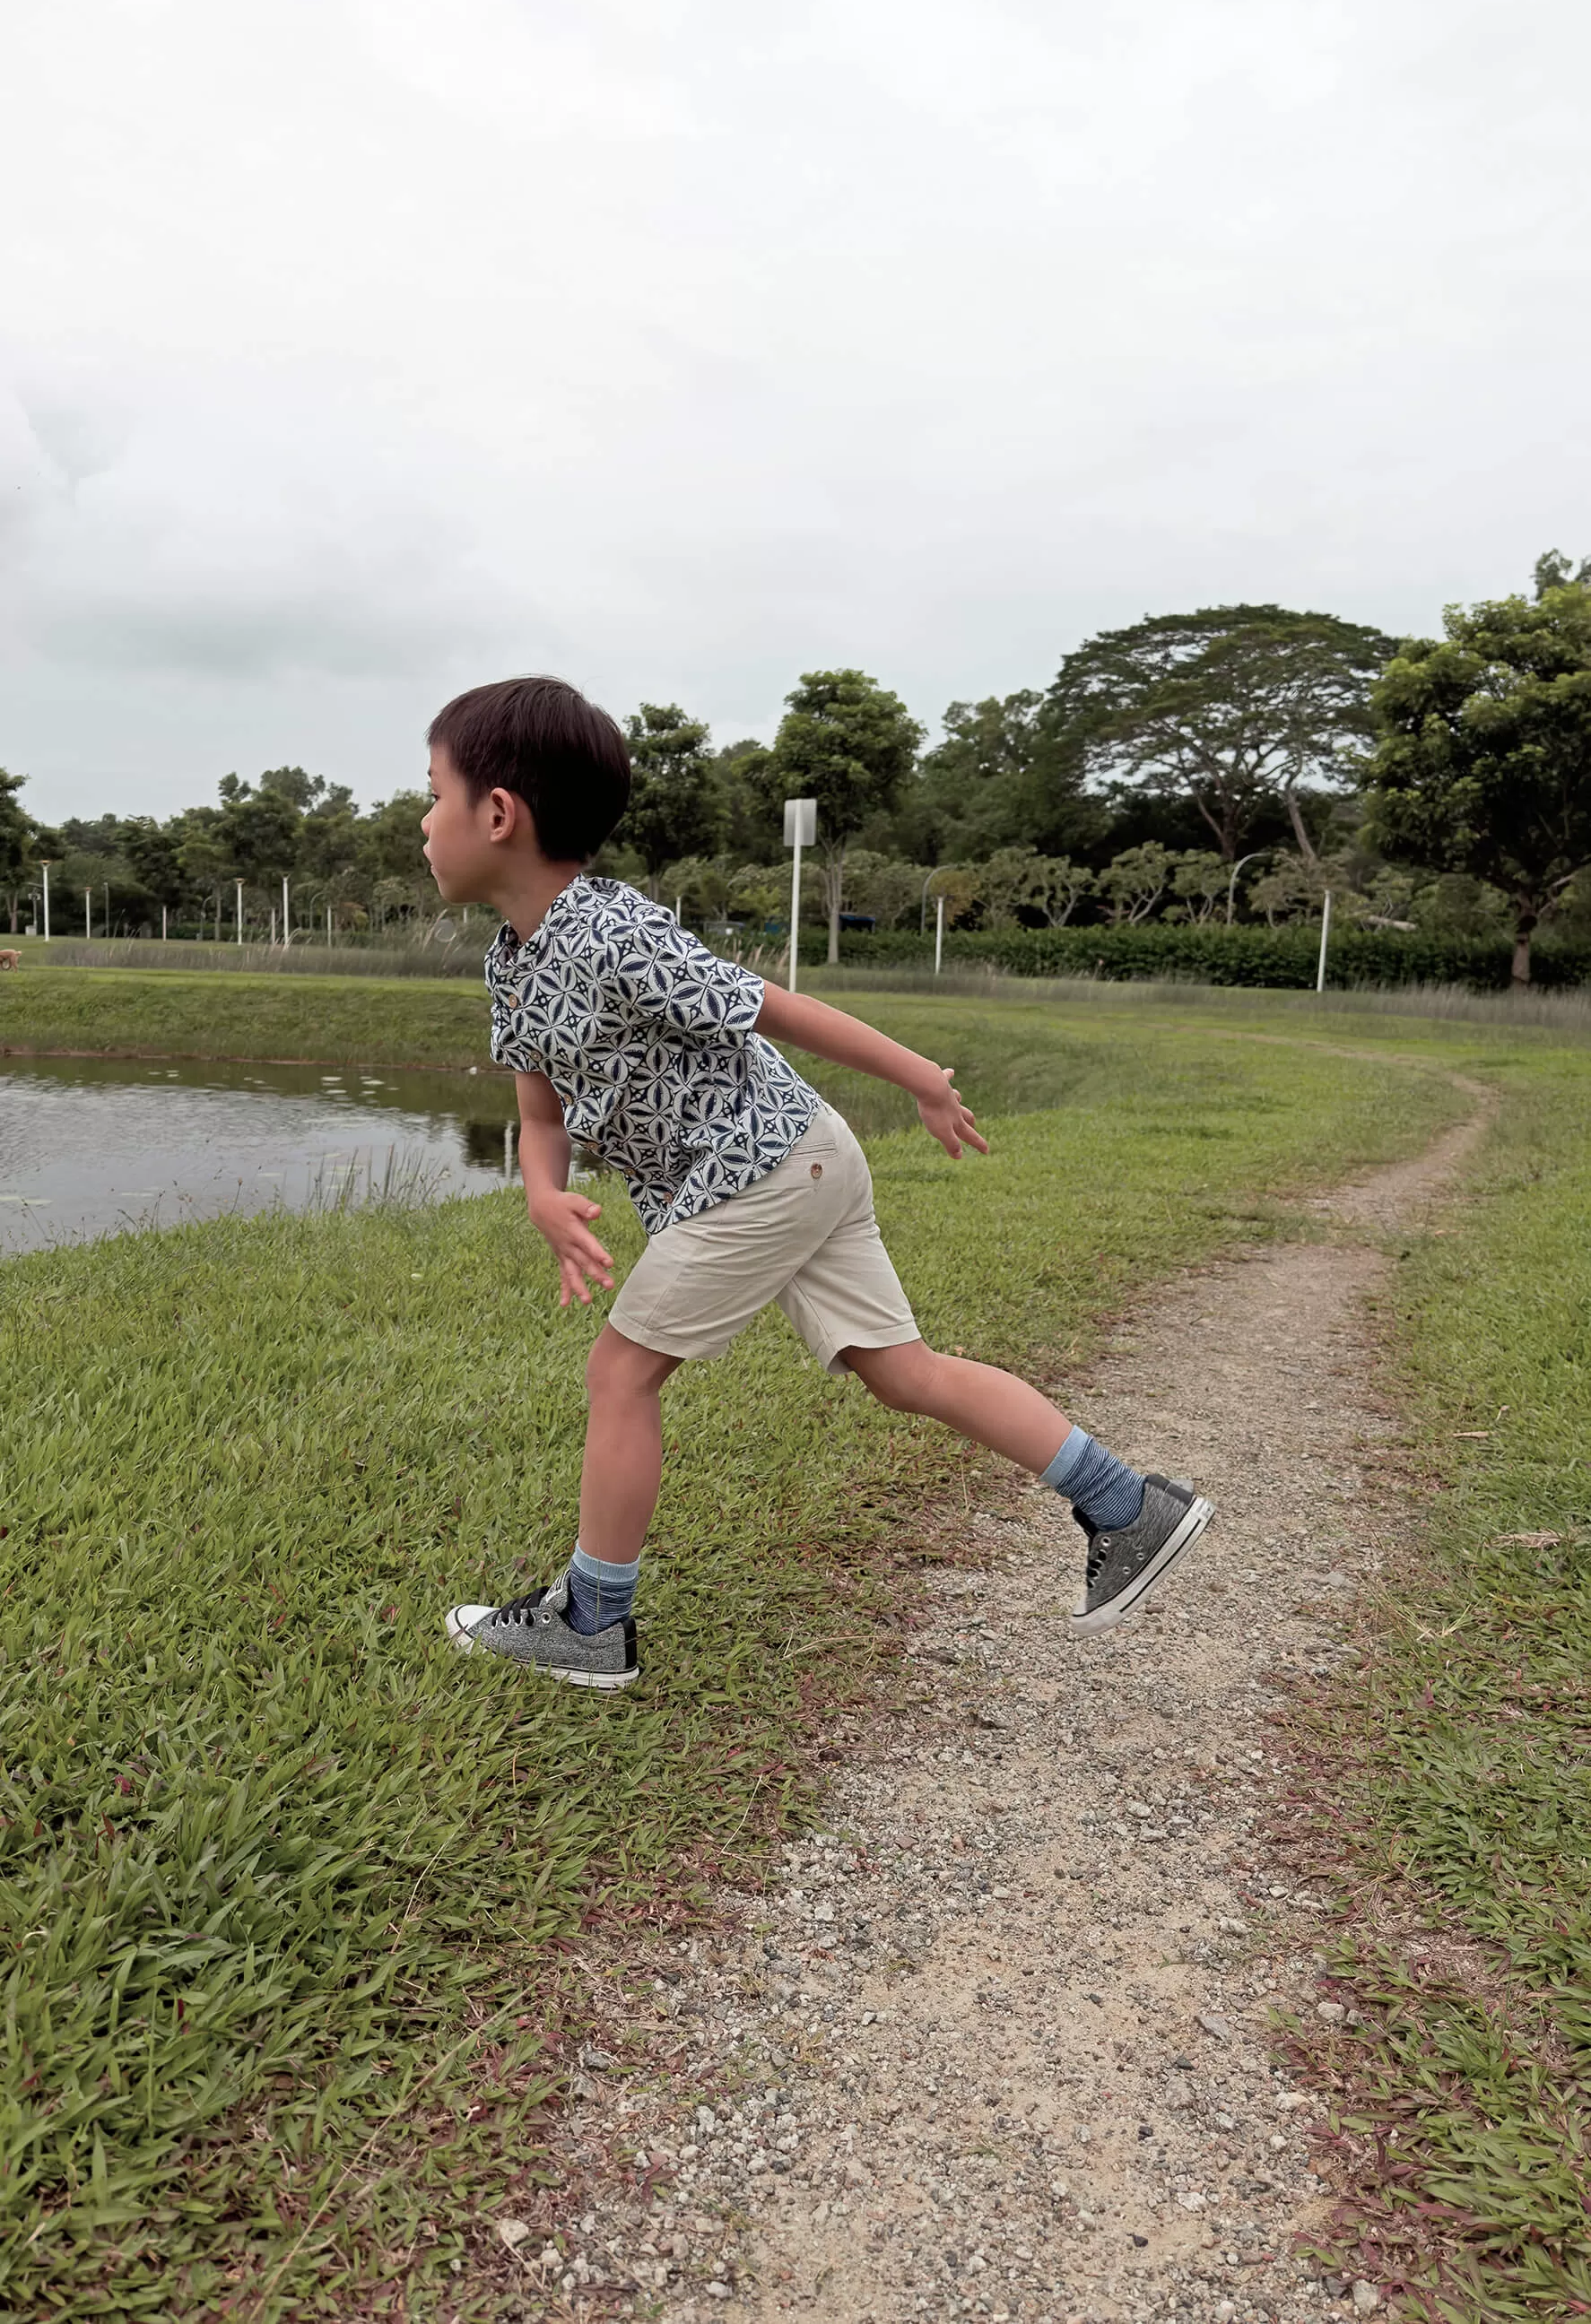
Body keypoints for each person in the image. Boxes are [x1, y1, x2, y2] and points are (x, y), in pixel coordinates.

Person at [422, 676, 1213, 1691]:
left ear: (497, 815)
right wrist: (542, 1192)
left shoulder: (614, 932)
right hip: (802, 1158)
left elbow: (776, 1010)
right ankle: (1126, 1505)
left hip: (758, 1172)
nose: (423, 818)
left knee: (620, 1375)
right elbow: (539, 1107)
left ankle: (590, 1622)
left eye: (432, 790)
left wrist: (923, 1078)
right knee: (904, 1373)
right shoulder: (511, 962)